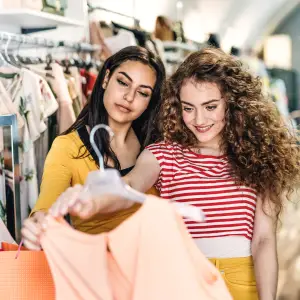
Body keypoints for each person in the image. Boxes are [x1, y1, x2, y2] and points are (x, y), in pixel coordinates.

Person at [25, 47, 300, 300]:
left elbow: (264, 240)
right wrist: (90, 199)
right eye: (188, 108)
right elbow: (129, 187)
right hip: (181, 281)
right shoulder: (164, 154)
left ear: (234, 103)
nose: (199, 120)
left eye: (211, 107)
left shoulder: (259, 159)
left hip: (242, 282)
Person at [21, 46, 166, 249]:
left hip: (151, 269)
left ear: (150, 101)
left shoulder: (157, 146)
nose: (129, 97)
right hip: (94, 272)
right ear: (106, 79)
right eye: (123, 82)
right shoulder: (68, 147)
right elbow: (46, 208)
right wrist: (38, 227)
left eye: (142, 92)